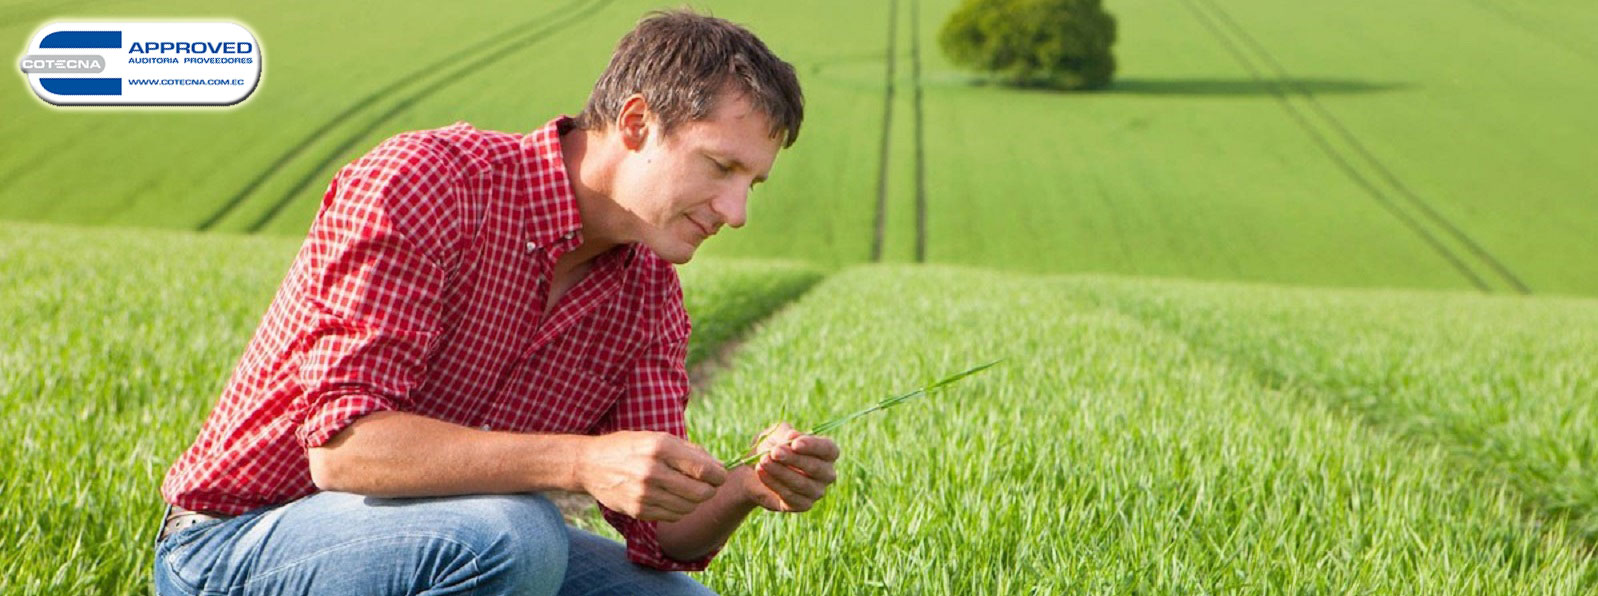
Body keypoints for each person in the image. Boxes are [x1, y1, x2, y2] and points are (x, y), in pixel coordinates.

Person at [151, 10, 839, 595]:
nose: (738, 210)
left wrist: (745, 488)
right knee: (515, 535)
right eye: (722, 167)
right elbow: (344, 451)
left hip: (451, 535)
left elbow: (662, 537)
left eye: (754, 182)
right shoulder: (429, 185)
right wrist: (580, 463)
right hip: (237, 546)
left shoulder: (649, 293)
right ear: (636, 124)